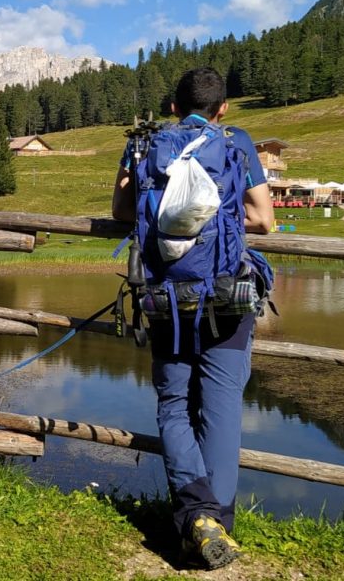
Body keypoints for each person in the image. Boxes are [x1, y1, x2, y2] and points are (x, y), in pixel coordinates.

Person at [112, 67, 274, 570]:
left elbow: (121, 209)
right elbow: (264, 219)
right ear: (223, 107)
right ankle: (213, 523)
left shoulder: (143, 145)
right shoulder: (236, 141)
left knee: (175, 402)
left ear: (173, 107)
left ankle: (196, 518)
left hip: (165, 298)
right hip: (227, 297)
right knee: (223, 407)